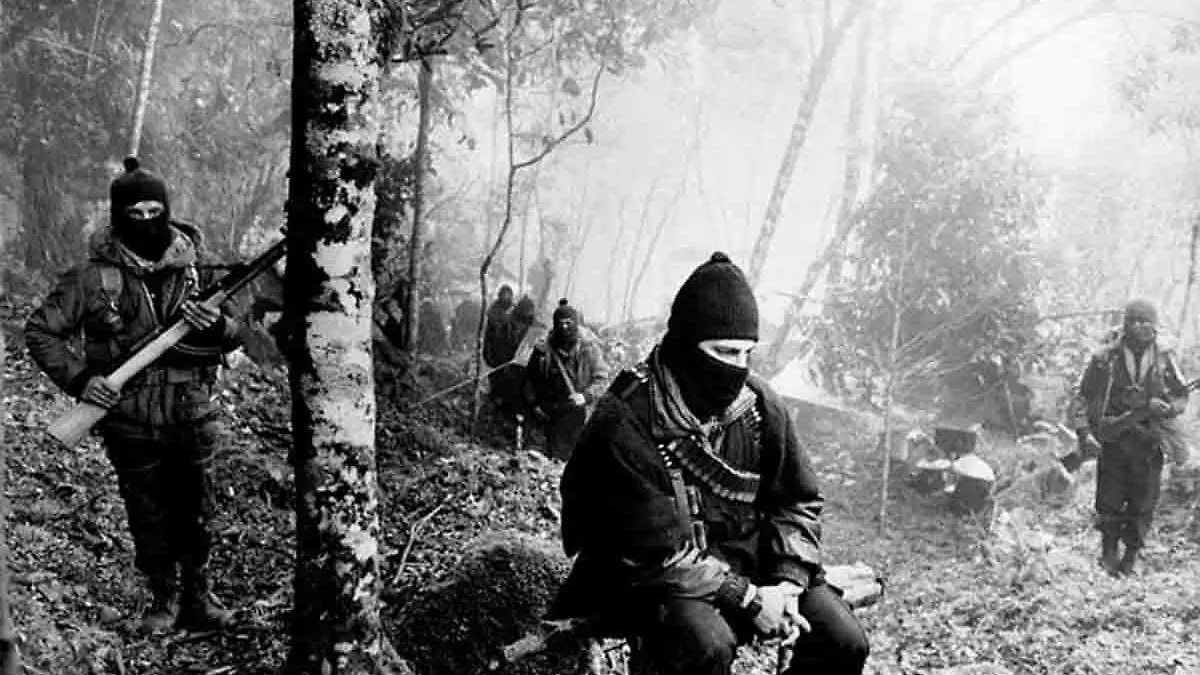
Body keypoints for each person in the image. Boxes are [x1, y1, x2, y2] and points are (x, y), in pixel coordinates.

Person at [549, 252, 868, 675]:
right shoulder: (624, 420)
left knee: (844, 641)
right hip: (653, 577)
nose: (737, 368)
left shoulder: (760, 405)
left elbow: (798, 500)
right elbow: (647, 554)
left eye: (746, 353)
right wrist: (748, 599)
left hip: (750, 563)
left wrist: (789, 581)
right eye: (724, 351)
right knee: (706, 647)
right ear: (685, 343)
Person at [25, 157, 241, 632]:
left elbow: (238, 334)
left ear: (167, 209)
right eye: (135, 212)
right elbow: (41, 331)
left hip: (191, 410)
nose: (146, 220)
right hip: (129, 416)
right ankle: (164, 601)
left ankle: (199, 598)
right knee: (148, 511)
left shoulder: (201, 272)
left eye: (154, 210)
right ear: (117, 215)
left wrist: (217, 325)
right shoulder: (91, 278)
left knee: (199, 510)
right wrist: (82, 381)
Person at [1071, 299, 1191, 576]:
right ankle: (1108, 553)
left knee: (1144, 501)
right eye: (1132, 320)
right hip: (1114, 439)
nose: (1138, 326)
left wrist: (1168, 408)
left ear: (1154, 325)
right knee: (1109, 498)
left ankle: (1131, 556)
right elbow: (1083, 396)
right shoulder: (1105, 359)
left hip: (1149, 441)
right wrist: (1084, 433)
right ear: (1124, 324)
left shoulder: (1165, 357)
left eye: (1145, 320)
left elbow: (1181, 394)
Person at [523, 299, 609, 460]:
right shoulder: (543, 349)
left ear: (575, 323)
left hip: (575, 411)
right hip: (546, 408)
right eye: (560, 323)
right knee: (534, 455)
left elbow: (602, 380)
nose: (564, 327)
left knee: (566, 457)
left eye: (568, 323)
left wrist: (585, 396)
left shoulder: (589, 348)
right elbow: (529, 380)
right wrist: (534, 404)